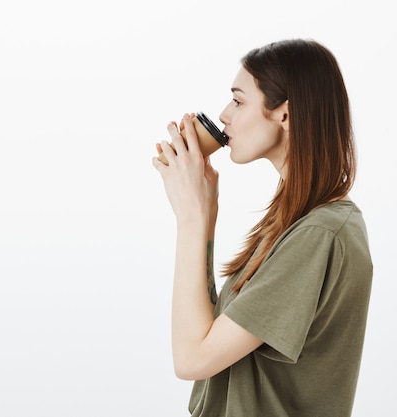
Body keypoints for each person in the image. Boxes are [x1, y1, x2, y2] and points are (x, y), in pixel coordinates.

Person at [152, 39, 373, 417]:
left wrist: (189, 219)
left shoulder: (320, 234)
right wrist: (205, 213)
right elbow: (211, 335)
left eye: (238, 101)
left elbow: (192, 358)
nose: (224, 115)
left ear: (285, 114)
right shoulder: (295, 224)